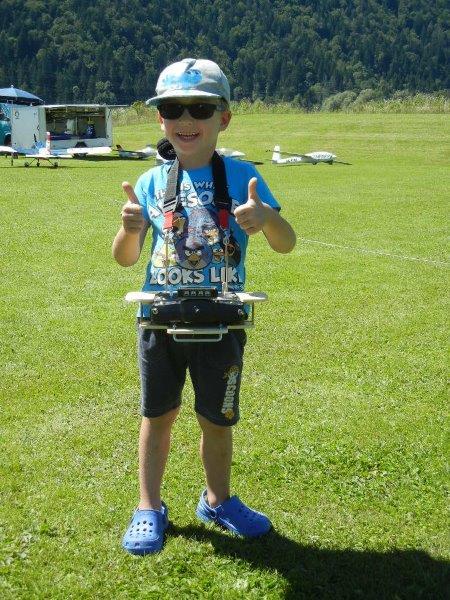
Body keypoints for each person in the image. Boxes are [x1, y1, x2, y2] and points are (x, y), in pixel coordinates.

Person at [112, 58, 296, 555]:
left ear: (224, 118)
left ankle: (218, 500)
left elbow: (286, 242)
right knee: (157, 415)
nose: (186, 119)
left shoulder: (243, 176)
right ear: (161, 119)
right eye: (174, 109)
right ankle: (148, 506)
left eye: (200, 108)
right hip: (160, 321)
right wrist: (129, 230)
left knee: (218, 419)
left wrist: (265, 218)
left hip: (222, 321)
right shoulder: (151, 182)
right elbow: (125, 258)